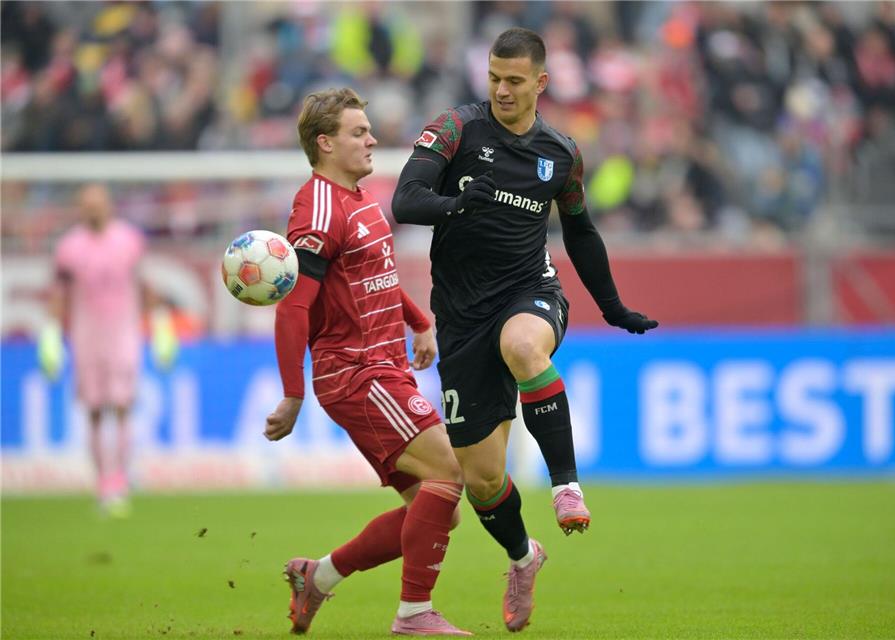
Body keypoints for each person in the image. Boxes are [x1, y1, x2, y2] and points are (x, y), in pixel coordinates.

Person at [392, 27, 658, 631]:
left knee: (522, 345)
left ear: (541, 82)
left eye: (514, 80)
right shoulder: (455, 129)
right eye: (494, 78)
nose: (502, 90)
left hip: (529, 292)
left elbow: (581, 232)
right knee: (483, 481)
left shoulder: (560, 153)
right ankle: (523, 558)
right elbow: (405, 200)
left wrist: (612, 307)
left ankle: (566, 486)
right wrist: (456, 203)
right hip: (461, 316)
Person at [264, 88, 471, 637]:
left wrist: (417, 321)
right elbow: (294, 306)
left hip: (386, 365)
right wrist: (292, 394)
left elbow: (373, 274)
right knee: (449, 473)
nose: (372, 139)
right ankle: (414, 614)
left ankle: (318, 576)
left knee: (441, 509)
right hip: (356, 372)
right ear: (326, 144)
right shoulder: (317, 210)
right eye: (359, 132)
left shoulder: (358, 199)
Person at [39, 183, 178, 517]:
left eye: (98, 204)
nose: (93, 210)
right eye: (87, 205)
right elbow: (59, 294)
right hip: (86, 336)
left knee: (122, 405)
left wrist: (160, 323)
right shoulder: (69, 247)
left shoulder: (128, 240)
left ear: (109, 206)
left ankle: (120, 480)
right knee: (94, 411)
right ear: (80, 209)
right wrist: (51, 334)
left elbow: (143, 284)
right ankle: (103, 481)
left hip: (123, 334)